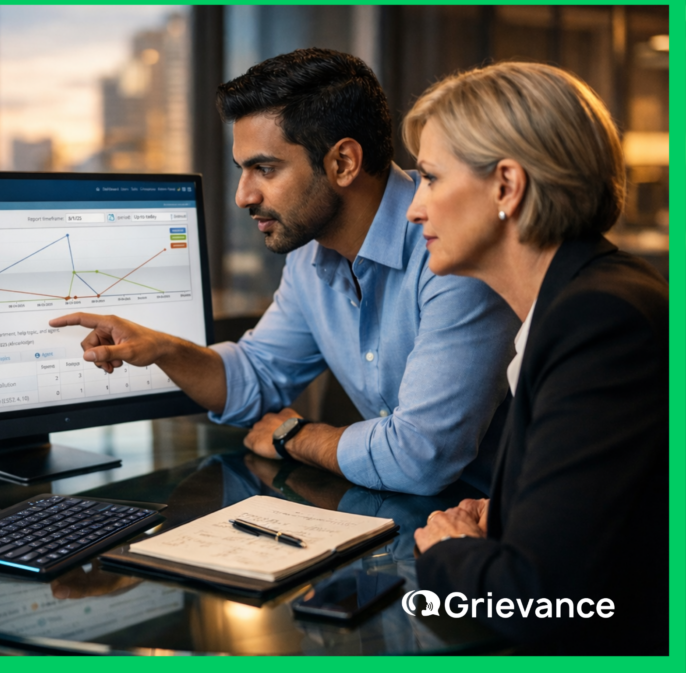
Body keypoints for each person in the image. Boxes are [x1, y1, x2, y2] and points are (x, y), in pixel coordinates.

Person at [51, 49, 518, 496]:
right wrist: (162, 349)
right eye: (242, 170)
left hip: (497, 530)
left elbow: (421, 457)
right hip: (398, 513)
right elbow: (257, 378)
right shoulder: (310, 254)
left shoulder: (453, 246)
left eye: (265, 169)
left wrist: (295, 436)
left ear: (343, 163)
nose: (243, 196)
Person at [405, 62, 668, 654]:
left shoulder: (599, 322)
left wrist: (451, 551)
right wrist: (524, 512)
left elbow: (538, 601)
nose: (414, 208)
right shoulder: (588, 298)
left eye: (430, 178)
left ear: (506, 185)